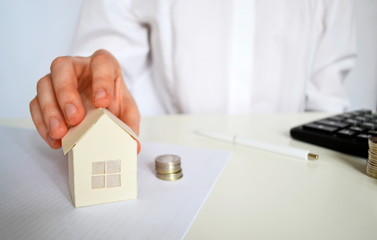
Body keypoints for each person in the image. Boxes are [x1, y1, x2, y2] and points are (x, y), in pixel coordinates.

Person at [29, 0, 356, 150]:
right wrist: (96, 105)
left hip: (291, 167)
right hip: (170, 169)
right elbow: (107, 63)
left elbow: (327, 100)